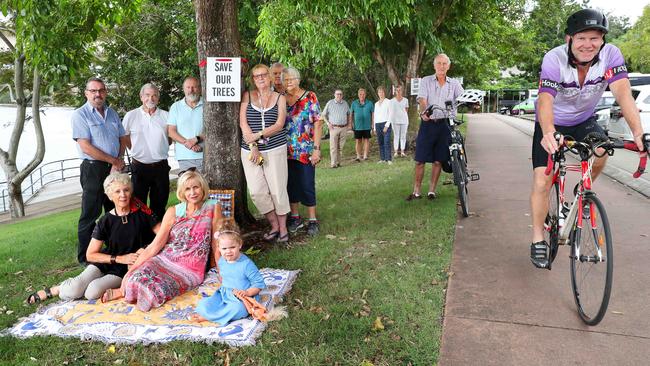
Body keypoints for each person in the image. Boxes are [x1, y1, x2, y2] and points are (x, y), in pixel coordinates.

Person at [529, 9, 645, 268]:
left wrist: (638, 133)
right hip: (551, 121)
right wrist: (548, 132)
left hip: (583, 119)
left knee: (603, 149)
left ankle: (581, 190)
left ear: (602, 40)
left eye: (595, 38)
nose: (588, 45)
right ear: (569, 38)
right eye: (582, 38)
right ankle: (537, 237)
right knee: (542, 179)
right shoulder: (554, 59)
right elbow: (545, 99)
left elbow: (624, 94)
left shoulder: (610, 55)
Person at [26, 173, 158, 304]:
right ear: (110, 196)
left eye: (126, 190)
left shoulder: (143, 213)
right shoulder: (105, 221)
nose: (123, 195)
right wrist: (118, 258)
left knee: (92, 292)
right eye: (117, 191)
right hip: (106, 261)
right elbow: (90, 255)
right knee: (73, 290)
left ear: (131, 191)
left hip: (126, 267)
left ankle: (106, 285)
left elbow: (163, 234)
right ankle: (58, 288)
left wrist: (144, 249)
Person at [101, 171, 223, 311]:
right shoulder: (173, 211)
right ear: (182, 192)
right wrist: (129, 273)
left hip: (190, 268)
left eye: (196, 187)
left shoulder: (213, 207)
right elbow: (155, 246)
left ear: (203, 188)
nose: (192, 192)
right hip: (165, 259)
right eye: (187, 189)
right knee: (135, 277)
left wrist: (222, 271)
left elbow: (217, 242)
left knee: (155, 290)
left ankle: (133, 293)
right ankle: (123, 290)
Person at [71, 77, 128, 264]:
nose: (98, 94)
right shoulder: (80, 115)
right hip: (94, 170)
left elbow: (122, 139)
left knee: (115, 210)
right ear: (86, 93)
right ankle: (85, 258)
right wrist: (113, 160)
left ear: (106, 92)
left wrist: (118, 161)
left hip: (114, 169)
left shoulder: (112, 113)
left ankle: (115, 250)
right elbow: (85, 146)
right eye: (93, 91)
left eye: (101, 90)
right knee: (90, 214)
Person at [240, 64, 290, 243]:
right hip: (251, 152)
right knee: (257, 191)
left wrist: (259, 134)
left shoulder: (279, 98)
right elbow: (243, 124)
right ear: (253, 80)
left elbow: (279, 124)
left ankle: (283, 228)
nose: (260, 78)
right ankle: (274, 224)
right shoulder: (247, 96)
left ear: (269, 77)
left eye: (263, 75)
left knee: (277, 189)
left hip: (275, 149)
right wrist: (253, 144)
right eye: (256, 76)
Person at [406, 53, 464, 201]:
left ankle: (432, 190)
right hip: (428, 123)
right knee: (420, 159)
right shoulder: (426, 81)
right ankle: (416, 191)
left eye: (444, 64)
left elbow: (462, 98)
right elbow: (422, 99)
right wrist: (425, 111)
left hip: (445, 124)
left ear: (449, 66)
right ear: (434, 65)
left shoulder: (455, 84)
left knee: (439, 159)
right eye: (439, 63)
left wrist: (471, 102)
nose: (441, 66)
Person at [191, 219, 266, 325]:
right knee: (204, 304)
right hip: (225, 294)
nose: (228, 251)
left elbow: (259, 284)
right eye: (224, 248)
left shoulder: (246, 264)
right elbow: (224, 277)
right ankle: (216, 313)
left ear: (239, 244)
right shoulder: (222, 261)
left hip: (243, 297)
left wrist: (247, 292)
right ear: (219, 248)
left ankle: (209, 317)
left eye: (232, 247)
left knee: (238, 309)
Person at [122, 83, 171, 221]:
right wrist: (137, 150)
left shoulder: (166, 116)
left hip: (160, 167)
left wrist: (159, 146)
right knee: (138, 204)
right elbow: (124, 137)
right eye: (148, 95)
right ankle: (141, 236)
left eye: (154, 95)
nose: (151, 98)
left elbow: (170, 138)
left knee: (160, 204)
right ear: (141, 97)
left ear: (158, 98)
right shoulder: (131, 115)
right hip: (139, 166)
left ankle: (158, 236)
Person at [283, 67, 323, 236]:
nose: (289, 82)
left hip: (306, 150)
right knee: (290, 185)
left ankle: (312, 220)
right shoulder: (281, 99)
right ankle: (295, 217)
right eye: (286, 80)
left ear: (298, 80)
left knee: (307, 184)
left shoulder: (310, 97)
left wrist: (316, 149)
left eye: (292, 79)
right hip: (285, 151)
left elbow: (318, 123)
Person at [168, 76, 204, 174]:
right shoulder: (175, 107)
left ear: (200, 88)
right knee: (188, 187)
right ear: (183, 89)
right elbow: (171, 131)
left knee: (207, 187)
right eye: (188, 87)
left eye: (194, 87)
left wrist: (196, 139)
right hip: (184, 157)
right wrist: (188, 143)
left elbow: (213, 129)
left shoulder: (207, 105)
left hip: (206, 155)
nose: (191, 90)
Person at [321, 89, 351, 168]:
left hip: (343, 127)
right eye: (337, 94)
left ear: (342, 95)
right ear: (334, 95)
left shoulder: (345, 103)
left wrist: (348, 124)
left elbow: (348, 114)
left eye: (340, 94)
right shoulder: (330, 103)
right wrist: (328, 124)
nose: (339, 96)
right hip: (333, 128)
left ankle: (339, 162)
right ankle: (333, 164)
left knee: (340, 147)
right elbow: (323, 115)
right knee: (333, 147)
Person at [350, 88, 374, 162]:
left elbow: (373, 114)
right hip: (358, 126)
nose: (362, 96)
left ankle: (365, 156)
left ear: (365, 95)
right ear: (358, 95)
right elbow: (351, 114)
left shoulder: (369, 103)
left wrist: (373, 124)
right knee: (358, 141)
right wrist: (351, 124)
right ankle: (358, 156)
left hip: (367, 126)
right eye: (360, 94)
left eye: (363, 94)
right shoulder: (354, 103)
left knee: (366, 140)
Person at [374, 86, 392, 164]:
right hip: (378, 124)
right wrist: (374, 128)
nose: (381, 94)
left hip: (385, 123)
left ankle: (389, 159)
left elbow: (391, 114)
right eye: (379, 92)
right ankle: (382, 159)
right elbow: (375, 116)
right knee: (380, 142)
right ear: (378, 93)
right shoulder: (376, 104)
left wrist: (387, 125)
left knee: (386, 142)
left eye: (382, 92)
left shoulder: (388, 102)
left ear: (384, 93)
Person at [390, 84, 409, 157]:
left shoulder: (405, 100)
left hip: (404, 120)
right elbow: (391, 111)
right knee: (396, 135)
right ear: (395, 91)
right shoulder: (392, 101)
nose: (398, 91)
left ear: (402, 91)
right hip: (394, 121)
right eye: (397, 90)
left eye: (400, 90)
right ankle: (395, 151)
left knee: (403, 136)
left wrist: (402, 116)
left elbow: (406, 110)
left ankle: (402, 151)